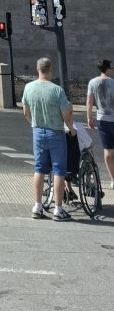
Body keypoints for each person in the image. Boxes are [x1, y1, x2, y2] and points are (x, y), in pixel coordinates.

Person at [22, 56, 75, 221]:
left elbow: (25, 111)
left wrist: (34, 123)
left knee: (39, 169)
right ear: (51, 70)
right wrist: (71, 128)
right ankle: (58, 209)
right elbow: (65, 114)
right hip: (56, 132)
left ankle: (37, 206)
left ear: (37, 70)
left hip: (38, 131)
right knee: (58, 170)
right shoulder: (57, 90)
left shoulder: (28, 88)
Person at [86, 58, 114, 190]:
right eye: (111, 68)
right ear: (107, 69)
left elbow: (90, 101)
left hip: (102, 119)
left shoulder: (92, 82)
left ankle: (113, 178)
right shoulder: (113, 83)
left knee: (107, 150)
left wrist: (89, 117)